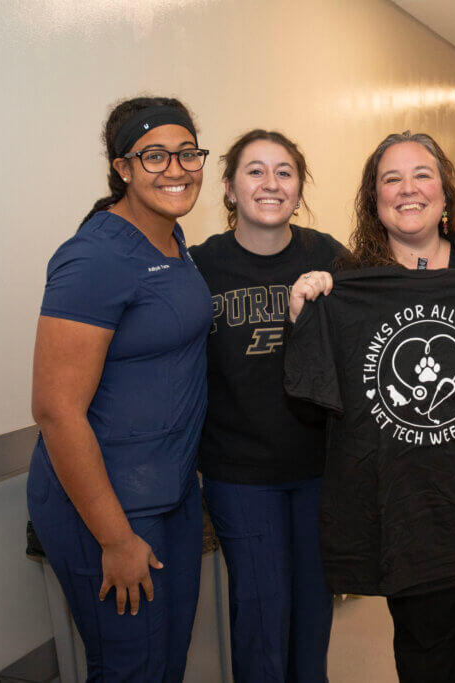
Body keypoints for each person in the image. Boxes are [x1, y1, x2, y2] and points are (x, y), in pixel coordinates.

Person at [287, 132, 455, 683]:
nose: (408, 188)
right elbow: (314, 405)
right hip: (412, 515)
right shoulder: (349, 285)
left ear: (445, 193)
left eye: (423, 174)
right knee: (425, 654)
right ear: (374, 200)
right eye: (391, 178)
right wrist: (307, 319)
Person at [27, 97, 213, 682]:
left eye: (188, 153)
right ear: (123, 168)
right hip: (108, 506)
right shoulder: (95, 257)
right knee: (132, 668)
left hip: (171, 493)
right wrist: (114, 537)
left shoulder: (174, 242)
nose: (176, 169)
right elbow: (56, 410)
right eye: (153, 155)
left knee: (166, 661)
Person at [188, 129, 346, 683]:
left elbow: (383, 314)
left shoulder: (327, 255)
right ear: (229, 188)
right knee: (261, 611)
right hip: (240, 472)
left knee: (313, 611)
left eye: (285, 171)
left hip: (318, 468)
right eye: (255, 171)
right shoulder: (200, 267)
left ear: (298, 189)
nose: (271, 183)